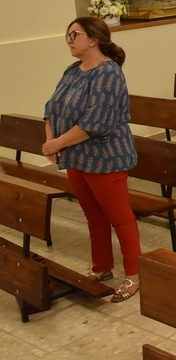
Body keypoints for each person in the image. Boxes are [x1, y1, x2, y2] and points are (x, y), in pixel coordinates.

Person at [42, 17, 141, 303]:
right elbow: (51, 108)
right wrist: (51, 141)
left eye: (75, 34)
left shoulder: (108, 73)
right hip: (76, 156)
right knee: (93, 215)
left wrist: (57, 143)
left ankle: (134, 275)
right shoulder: (74, 70)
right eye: (67, 35)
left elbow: (96, 122)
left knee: (119, 217)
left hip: (106, 157)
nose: (69, 40)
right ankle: (101, 267)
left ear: (94, 39)